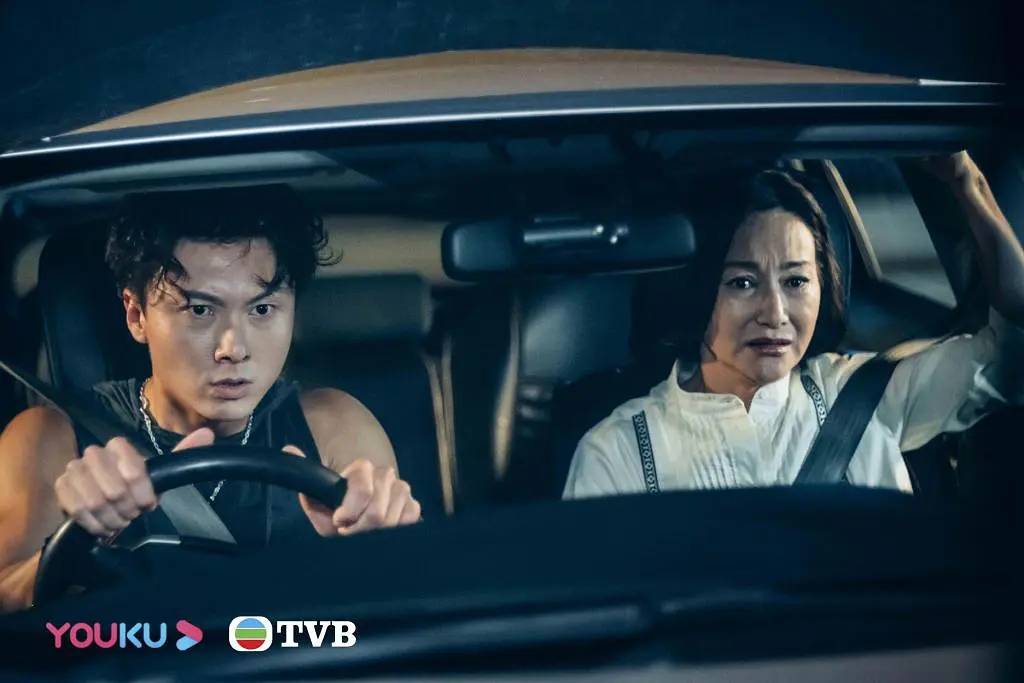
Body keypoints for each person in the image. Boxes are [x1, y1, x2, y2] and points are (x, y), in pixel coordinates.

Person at [0, 185, 421, 612]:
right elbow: (4, 601)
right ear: (137, 315)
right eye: (200, 310)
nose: (233, 349)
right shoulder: (50, 439)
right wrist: (79, 541)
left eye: (261, 310)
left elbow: (405, 607)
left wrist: (377, 550)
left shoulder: (334, 428)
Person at [563, 152, 1024, 499]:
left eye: (796, 281)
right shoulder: (618, 452)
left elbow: (1012, 353)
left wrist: (969, 184)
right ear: (698, 289)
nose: (775, 312)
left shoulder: (866, 394)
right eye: (743, 283)